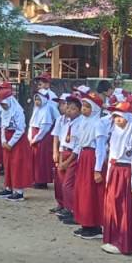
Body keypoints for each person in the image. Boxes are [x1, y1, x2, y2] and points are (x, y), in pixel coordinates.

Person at [101, 102, 132, 255]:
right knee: (112, 206)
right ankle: (112, 239)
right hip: (114, 171)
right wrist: (108, 176)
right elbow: (112, 154)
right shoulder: (115, 133)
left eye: (120, 116)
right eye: (115, 116)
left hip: (126, 173)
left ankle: (123, 242)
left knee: (123, 208)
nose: (117, 120)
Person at [72, 94, 108, 240]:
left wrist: (98, 169)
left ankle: (94, 226)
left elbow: (100, 148)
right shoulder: (83, 122)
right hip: (84, 156)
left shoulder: (98, 124)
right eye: (83, 106)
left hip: (92, 158)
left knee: (91, 193)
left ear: (95, 109)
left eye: (87, 107)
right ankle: (85, 223)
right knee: (82, 191)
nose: (84, 110)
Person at [0, 89, 31, 202]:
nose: (2, 105)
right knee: (7, 164)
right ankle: (8, 187)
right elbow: (3, 126)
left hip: (17, 141)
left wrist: (10, 143)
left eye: (4, 103)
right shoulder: (3, 111)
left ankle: (18, 191)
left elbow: (20, 129)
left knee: (17, 165)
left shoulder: (18, 111)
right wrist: (3, 140)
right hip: (7, 139)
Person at [55, 96, 83, 225]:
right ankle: (67, 208)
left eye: (73, 109)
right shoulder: (66, 123)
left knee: (68, 185)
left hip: (72, 155)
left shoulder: (81, 123)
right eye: (68, 108)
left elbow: (78, 145)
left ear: (79, 110)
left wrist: (67, 161)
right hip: (64, 152)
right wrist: (60, 159)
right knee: (62, 184)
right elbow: (61, 140)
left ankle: (73, 210)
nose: (70, 111)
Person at [28, 92, 56, 189]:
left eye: (39, 100)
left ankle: (42, 180)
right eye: (36, 100)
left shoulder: (46, 110)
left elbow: (45, 128)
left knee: (42, 160)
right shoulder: (36, 110)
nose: (37, 102)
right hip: (34, 137)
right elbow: (31, 124)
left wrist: (36, 139)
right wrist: (30, 138)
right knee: (35, 159)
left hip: (42, 139)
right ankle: (35, 179)